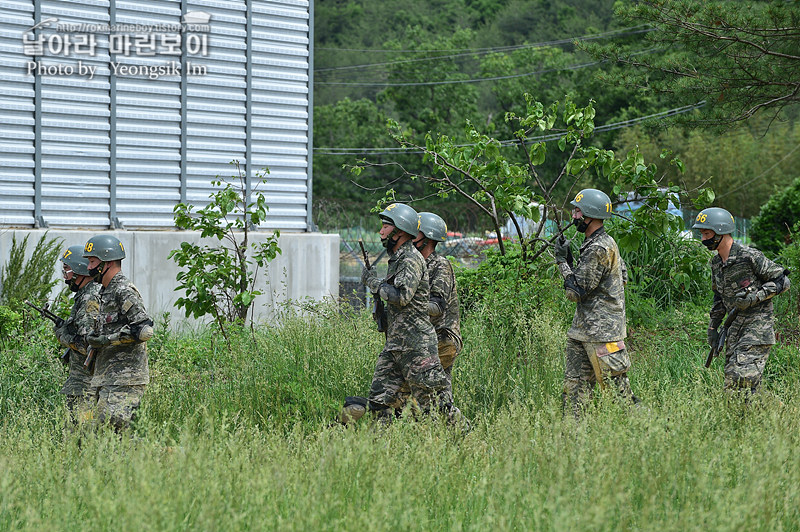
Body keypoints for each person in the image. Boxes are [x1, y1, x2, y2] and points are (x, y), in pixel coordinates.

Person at [341, 203, 459, 425]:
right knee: (380, 401)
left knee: (434, 404)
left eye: (386, 226)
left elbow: (410, 299)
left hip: (424, 341)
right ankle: (379, 449)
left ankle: (463, 437)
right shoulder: (399, 260)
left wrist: (375, 285)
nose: (380, 231)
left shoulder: (419, 261)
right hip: (398, 343)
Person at [553, 188, 638, 415]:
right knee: (574, 393)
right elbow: (620, 278)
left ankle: (651, 432)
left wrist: (562, 262)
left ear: (589, 214)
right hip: (583, 331)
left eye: (578, 211)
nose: (574, 216)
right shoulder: (602, 243)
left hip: (602, 335)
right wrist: (572, 261)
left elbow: (576, 292)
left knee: (620, 394)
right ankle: (573, 439)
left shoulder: (598, 248)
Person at [692, 207, 790, 397]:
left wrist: (756, 297)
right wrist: (712, 329)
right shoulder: (716, 264)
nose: (703, 239)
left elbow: (783, 281)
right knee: (739, 384)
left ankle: (748, 419)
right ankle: (766, 416)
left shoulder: (749, 256)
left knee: (739, 379)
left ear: (721, 230)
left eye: (707, 233)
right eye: (702, 234)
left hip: (756, 328)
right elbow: (719, 299)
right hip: (734, 331)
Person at [82, 235, 154, 432]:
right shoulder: (104, 292)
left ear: (108, 262)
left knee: (119, 439)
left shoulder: (123, 290)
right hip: (107, 377)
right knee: (106, 436)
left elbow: (144, 330)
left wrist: (108, 340)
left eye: (92, 261)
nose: (88, 268)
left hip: (125, 379)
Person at [412, 212, 462, 389]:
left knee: (430, 392)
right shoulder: (415, 265)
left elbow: (436, 307)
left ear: (428, 237)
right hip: (422, 340)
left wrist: (407, 305)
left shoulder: (439, 265)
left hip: (441, 338)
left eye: (415, 233)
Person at [54, 245, 101, 425]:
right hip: (82, 383)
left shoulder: (90, 298)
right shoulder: (85, 294)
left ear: (79, 270)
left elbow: (86, 344)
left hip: (86, 386)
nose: (65, 274)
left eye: (67, 269)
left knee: (82, 433)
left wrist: (62, 335)